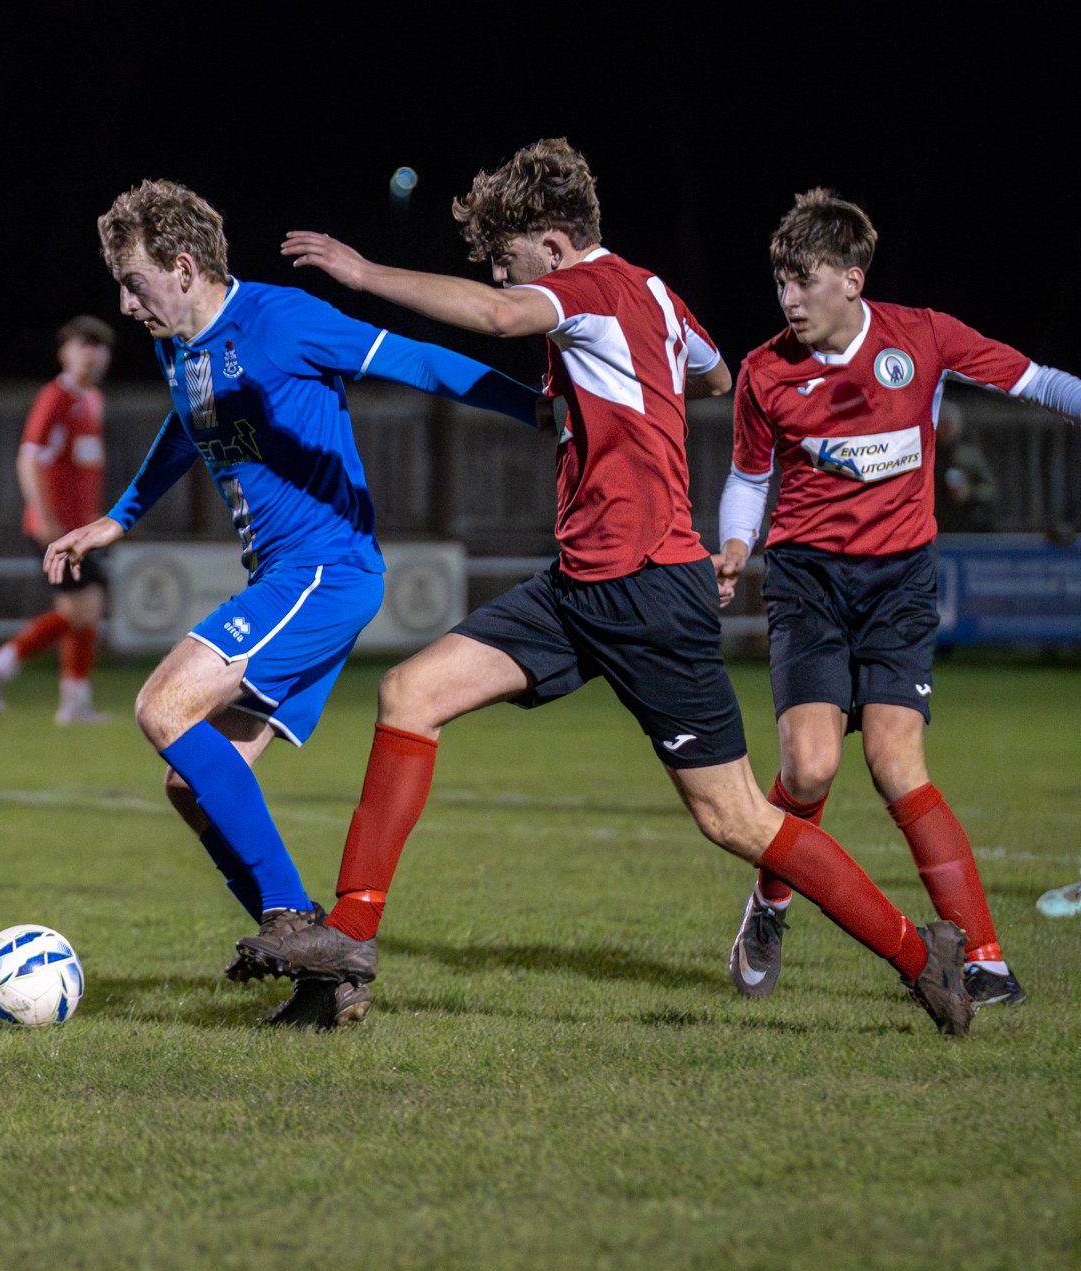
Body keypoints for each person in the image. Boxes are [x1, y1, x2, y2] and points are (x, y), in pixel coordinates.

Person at [250, 140, 976, 1035]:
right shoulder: (658, 295)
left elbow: (494, 315)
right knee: (410, 692)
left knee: (737, 817)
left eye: (508, 259)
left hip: (646, 590)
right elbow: (715, 373)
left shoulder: (589, 289)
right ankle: (346, 957)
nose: (501, 275)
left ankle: (921, 953)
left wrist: (362, 272)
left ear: (554, 248)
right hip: (579, 587)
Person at [43, 180, 541, 1030]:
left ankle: (291, 921)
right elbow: (184, 420)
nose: (125, 303)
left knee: (162, 706)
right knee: (191, 785)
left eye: (134, 280)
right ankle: (328, 985)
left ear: (186, 264)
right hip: (289, 578)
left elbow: (420, 361)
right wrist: (119, 516)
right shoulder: (180, 346)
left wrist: (546, 412)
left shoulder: (281, 320)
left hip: (325, 571)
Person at [715, 190, 1081, 1010]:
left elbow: (1043, 382)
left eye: (802, 282)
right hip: (807, 579)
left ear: (852, 279)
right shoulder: (764, 371)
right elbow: (749, 476)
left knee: (896, 764)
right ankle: (769, 905)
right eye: (780, 283)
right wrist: (737, 544)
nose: (788, 300)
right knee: (809, 766)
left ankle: (983, 959)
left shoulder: (923, 339)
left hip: (900, 581)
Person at [0, 315, 117, 725]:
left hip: (81, 527)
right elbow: (28, 458)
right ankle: (2, 669)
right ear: (64, 353)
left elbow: (83, 468)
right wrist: (43, 515)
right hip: (56, 528)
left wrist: (94, 520)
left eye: (97, 346)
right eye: (81, 345)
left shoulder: (93, 401)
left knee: (83, 610)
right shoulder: (55, 397)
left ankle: (71, 700)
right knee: (83, 609)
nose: (90, 354)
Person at [933, 402, 997, 533]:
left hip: (966, 522)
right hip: (937, 521)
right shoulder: (929, 455)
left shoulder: (968, 455)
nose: (946, 430)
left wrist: (969, 492)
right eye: (943, 425)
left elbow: (989, 487)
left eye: (949, 426)